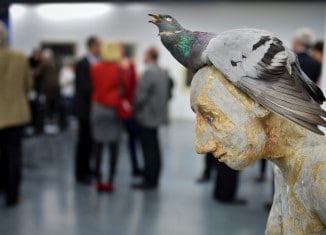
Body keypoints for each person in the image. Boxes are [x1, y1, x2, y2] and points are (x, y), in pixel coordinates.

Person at [0, 21, 32, 206]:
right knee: (13, 155)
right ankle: (12, 195)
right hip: (15, 114)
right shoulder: (20, 57)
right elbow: (28, 85)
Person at [90, 42, 130, 192]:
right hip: (113, 109)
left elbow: (92, 85)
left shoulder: (94, 68)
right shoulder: (120, 69)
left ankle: (99, 181)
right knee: (114, 146)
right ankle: (110, 181)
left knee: (98, 146)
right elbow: (126, 87)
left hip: (98, 109)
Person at [132, 47, 169, 190]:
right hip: (157, 117)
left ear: (148, 56)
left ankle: (149, 180)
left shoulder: (148, 73)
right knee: (154, 148)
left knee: (148, 150)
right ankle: (154, 176)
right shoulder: (161, 72)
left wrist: (133, 111)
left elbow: (140, 97)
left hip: (147, 117)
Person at [74, 36, 100, 185]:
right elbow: (85, 88)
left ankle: (88, 169)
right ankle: (80, 172)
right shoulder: (82, 63)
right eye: (98, 45)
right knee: (83, 142)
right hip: (84, 109)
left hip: (93, 108)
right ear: (92, 46)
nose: (100, 48)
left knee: (91, 142)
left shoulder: (95, 62)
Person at [120, 57, 142, 177]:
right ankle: (135, 168)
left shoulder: (129, 73)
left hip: (128, 111)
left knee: (132, 139)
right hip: (124, 111)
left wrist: (132, 67)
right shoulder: (121, 74)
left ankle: (135, 168)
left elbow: (132, 85)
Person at [58, 57, 75, 131]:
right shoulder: (63, 71)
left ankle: (71, 122)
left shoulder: (73, 71)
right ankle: (66, 123)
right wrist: (69, 81)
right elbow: (61, 82)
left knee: (72, 108)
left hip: (73, 92)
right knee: (67, 108)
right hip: (66, 93)